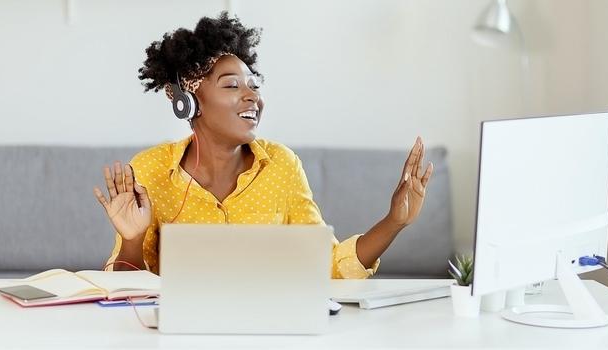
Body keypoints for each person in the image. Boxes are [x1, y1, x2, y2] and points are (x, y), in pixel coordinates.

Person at [93, 12, 433, 279]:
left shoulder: (281, 164)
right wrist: (133, 240)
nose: (252, 96)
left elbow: (326, 265)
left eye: (254, 85)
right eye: (231, 86)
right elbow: (127, 294)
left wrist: (393, 222)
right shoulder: (150, 171)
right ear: (190, 102)